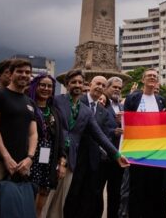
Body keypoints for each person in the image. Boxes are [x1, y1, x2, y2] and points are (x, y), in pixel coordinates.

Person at [48, 70, 128, 218]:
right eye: (74, 82)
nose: (77, 85)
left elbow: (99, 135)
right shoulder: (57, 100)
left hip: (71, 159)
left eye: (79, 82)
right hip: (54, 156)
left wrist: (117, 155)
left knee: (61, 201)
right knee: (45, 198)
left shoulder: (86, 111)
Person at [0, 59, 38, 216]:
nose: (24, 75)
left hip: (21, 164)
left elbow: (33, 133)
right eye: (19, 71)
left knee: (15, 209)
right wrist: (6, 157)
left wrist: (30, 158)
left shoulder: (30, 102)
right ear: (10, 74)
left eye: (27, 72)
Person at [124, 68, 166, 218]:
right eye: (149, 75)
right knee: (137, 188)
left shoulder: (161, 100)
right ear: (143, 80)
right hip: (138, 152)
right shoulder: (133, 98)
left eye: (154, 76)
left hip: (157, 153)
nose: (152, 78)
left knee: (157, 188)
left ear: (157, 81)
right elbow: (126, 122)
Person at [81, 76, 118, 218]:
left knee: (91, 197)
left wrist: (115, 154)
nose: (99, 87)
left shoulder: (103, 112)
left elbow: (102, 135)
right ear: (90, 84)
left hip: (95, 160)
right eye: (97, 83)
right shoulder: (79, 101)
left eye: (103, 85)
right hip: (75, 158)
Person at [28, 73, 62, 217]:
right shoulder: (28, 105)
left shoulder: (54, 111)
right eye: (42, 85)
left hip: (48, 156)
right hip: (30, 155)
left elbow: (59, 136)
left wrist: (61, 159)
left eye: (49, 86)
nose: (46, 88)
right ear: (35, 86)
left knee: (44, 190)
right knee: (29, 191)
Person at [104, 77, 125, 218]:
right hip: (103, 155)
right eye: (114, 87)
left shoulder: (122, 107)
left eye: (119, 88)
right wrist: (113, 131)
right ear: (107, 87)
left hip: (118, 155)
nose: (117, 89)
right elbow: (96, 127)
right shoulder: (101, 104)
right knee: (95, 191)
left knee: (116, 192)